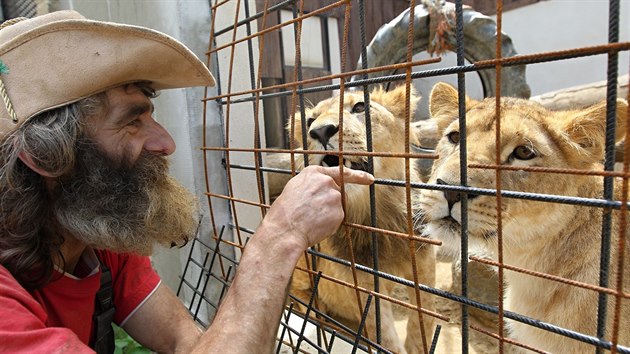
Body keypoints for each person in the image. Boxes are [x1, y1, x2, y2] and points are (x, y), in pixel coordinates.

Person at [0, 10, 374, 353]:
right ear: (44, 156)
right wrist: (279, 237)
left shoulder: (94, 244)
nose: (167, 143)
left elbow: (188, 345)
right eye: (132, 121)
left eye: (151, 117)